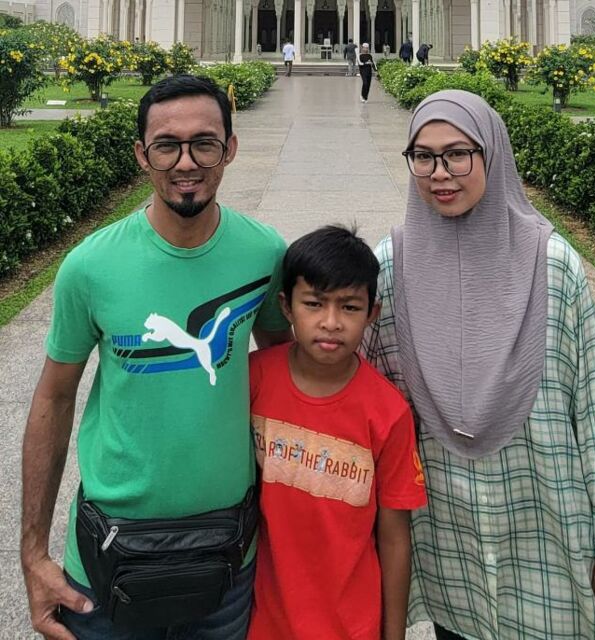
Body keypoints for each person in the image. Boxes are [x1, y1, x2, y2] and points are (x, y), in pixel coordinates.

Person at [20, 74, 291, 640]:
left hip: (226, 557)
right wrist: (33, 555)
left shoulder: (264, 254)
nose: (186, 162)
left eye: (204, 143)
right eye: (167, 145)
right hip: (109, 557)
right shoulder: (90, 267)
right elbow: (53, 398)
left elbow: (291, 377)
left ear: (230, 149)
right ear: (142, 154)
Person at [362, 89, 595, 639]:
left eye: (458, 154)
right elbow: (366, 408)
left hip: (547, 541)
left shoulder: (552, 265)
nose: (440, 173)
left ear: (492, 153)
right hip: (449, 553)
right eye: (423, 156)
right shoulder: (390, 268)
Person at [247, 226, 427, 640]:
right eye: (313, 303)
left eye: (349, 307)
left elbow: (395, 537)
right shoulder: (255, 380)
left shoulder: (388, 413)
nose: (331, 322)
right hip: (263, 622)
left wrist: (393, 634)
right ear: (286, 306)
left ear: (372, 313)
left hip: (351, 625)